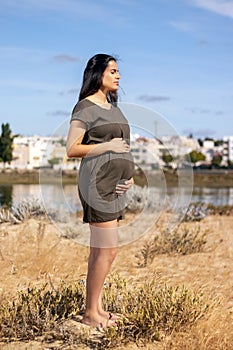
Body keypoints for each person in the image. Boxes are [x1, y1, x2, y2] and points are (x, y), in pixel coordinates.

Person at [66, 53, 134, 328]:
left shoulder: (113, 107)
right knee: (108, 250)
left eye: (119, 72)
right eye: (114, 71)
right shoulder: (85, 107)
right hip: (96, 184)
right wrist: (106, 147)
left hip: (114, 186)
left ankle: (96, 309)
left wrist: (127, 177)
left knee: (101, 250)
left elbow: (123, 146)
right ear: (98, 74)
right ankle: (90, 314)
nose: (119, 76)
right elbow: (72, 148)